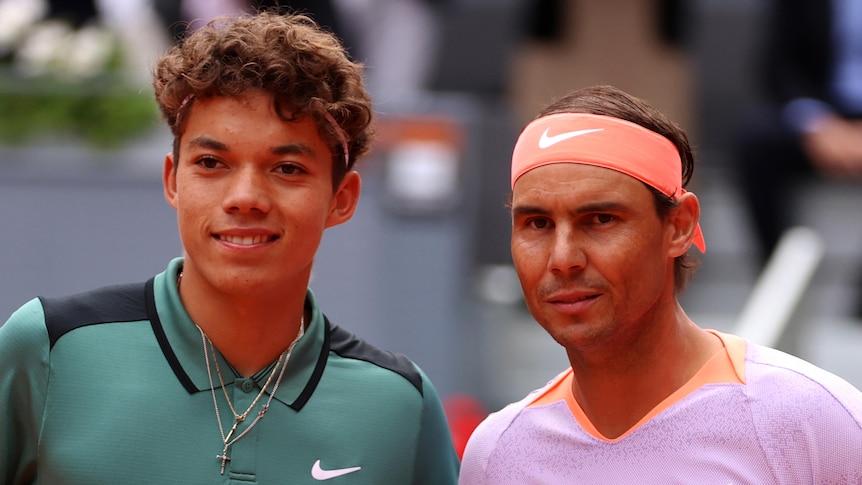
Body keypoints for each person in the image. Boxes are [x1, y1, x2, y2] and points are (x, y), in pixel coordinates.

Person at [0, 10, 459, 484]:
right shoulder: (49, 349)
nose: (245, 199)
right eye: (212, 162)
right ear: (172, 181)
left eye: (287, 169)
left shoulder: (402, 407)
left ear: (341, 201)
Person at [458, 85, 862, 483]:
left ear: (680, 226)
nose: (563, 259)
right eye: (538, 223)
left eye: (600, 219)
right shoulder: (498, 454)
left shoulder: (814, 423)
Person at [733, 0, 862, 266]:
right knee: (755, 140)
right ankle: (778, 273)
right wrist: (819, 125)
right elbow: (779, 66)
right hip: (824, 112)